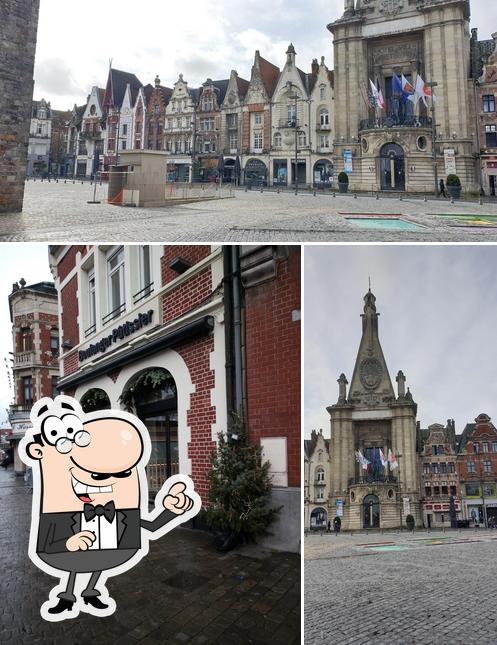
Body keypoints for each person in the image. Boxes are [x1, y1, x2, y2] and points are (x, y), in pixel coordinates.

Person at [20, 395, 201, 621]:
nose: (106, 480)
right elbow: (46, 544)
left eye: (123, 473)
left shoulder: (122, 512)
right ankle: (67, 597)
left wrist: (171, 511)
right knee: (76, 563)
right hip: (70, 555)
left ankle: (90, 591)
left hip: (110, 553)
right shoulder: (59, 512)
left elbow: (152, 527)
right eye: (97, 475)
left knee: (98, 562)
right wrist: (68, 542)